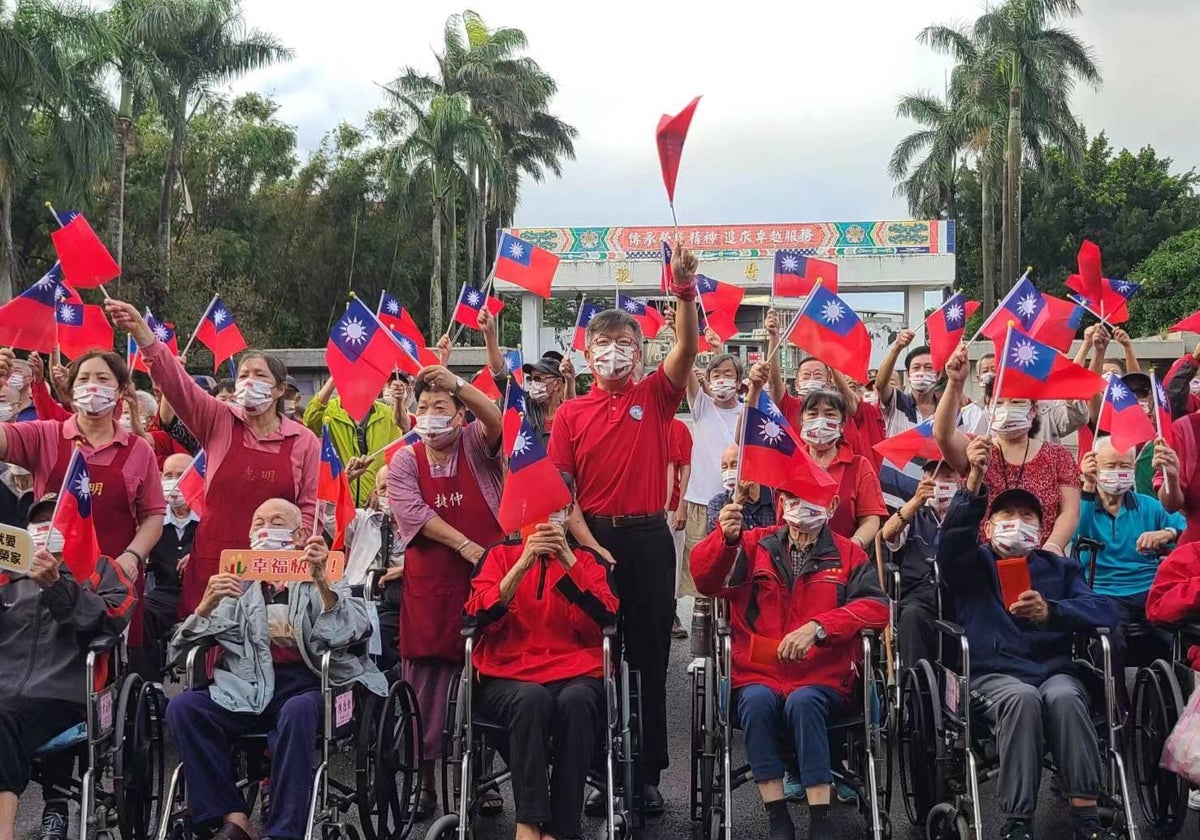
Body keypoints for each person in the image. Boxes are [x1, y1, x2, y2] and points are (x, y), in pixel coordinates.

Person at [549, 245, 702, 812]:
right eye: (604, 346)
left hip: (647, 541)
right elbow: (562, 491)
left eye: (626, 346)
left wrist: (684, 291)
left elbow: (686, 348)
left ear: (640, 354)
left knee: (647, 658)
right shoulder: (569, 414)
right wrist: (586, 545)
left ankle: (644, 775)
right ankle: (598, 774)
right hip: (592, 542)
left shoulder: (654, 396)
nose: (615, 355)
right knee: (592, 660)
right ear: (589, 355)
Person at [166, 498, 386, 840]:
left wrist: (323, 586)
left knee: (297, 712)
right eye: (258, 522)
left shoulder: (323, 570)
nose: (265, 527)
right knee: (183, 706)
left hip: (309, 683)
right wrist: (205, 606)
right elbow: (178, 653)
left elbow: (355, 628)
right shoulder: (237, 582)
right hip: (247, 687)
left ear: (298, 535)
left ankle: (283, 832)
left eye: (276, 520)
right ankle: (233, 817)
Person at [936, 435, 1119, 840]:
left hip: (1052, 669)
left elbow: (1106, 611)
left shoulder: (1058, 568)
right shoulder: (973, 564)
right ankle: (1019, 821)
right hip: (992, 673)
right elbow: (949, 550)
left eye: (1027, 516)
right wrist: (974, 486)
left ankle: (1087, 816)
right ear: (989, 526)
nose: (1016, 523)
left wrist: (1053, 612)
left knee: (1066, 697)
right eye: (1007, 516)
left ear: (1042, 527)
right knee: (1023, 699)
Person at [692, 481, 889, 840]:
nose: (801, 507)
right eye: (793, 499)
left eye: (811, 500)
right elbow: (706, 581)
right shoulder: (754, 545)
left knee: (803, 702)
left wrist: (820, 627)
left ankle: (820, 819)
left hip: (821, 676)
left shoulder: (848, 554)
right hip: (759, 671)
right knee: (756, 701)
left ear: (830, 505)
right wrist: (725, 538)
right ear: (781, 503)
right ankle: (777, 816)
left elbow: (876, 608)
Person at [108, 298, 321, 618]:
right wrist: (142, 332)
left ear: (278, 390)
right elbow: (178, 386)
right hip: (214, 559)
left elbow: (310, 506)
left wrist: (297, 552)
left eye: (259, 376)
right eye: (244, 375)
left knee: (272, 645)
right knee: (206, 647)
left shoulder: (303, 440)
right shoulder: (218, 420)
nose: (249, 381)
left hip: (275, 565)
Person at [464, 494, 618, 840]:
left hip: (576, 668)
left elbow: (607, 616)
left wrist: (567, 560)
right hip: (510, 671)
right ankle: (529, 823)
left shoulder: (587, 561)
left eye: (556, 511)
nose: (547, 520)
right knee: (530, 700)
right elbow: (475, 616)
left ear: (567, 514)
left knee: (577, 702)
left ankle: (562, 829)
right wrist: (521, 566)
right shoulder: (499, 556)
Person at [387, 363, 504, 816]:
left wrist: (455, 382)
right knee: (426, 686)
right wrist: (465, 545)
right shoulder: (403, 459)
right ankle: (427, 784)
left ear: (459, 416)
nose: (430, 414)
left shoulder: (476, 443)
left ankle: (482, 777)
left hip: (485, 579)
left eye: (441, 407)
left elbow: (494, 417)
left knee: (485, 677)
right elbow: (413, 513)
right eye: (423, 407)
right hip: (431, 585)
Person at [0, 494, 136, 840]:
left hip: (62, 692)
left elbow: (111, 621)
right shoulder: (8, 575)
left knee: (3, 717)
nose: (45, 531)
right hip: (7, 686)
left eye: (55, 523)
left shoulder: (102, 569)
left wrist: (58, 585)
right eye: (39, 525)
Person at [934, 344, 1080, 553]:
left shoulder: (1058, 456)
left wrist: (1052, 548)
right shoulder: (978, 449)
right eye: (999, 403)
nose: (1007, 408)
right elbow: (943, 434)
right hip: (984, 563)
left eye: (1016, 402)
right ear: (989, 407)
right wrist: (955, 384)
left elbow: (1069, 511)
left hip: (1040, 559)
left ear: (1033, 410)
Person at [1076, 437, 1182, 711]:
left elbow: (1183, 528)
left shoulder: (1147, 505)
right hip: (1104, 592)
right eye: (1110, 465)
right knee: (1108, 642)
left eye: (1125, 465)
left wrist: (1166, 533)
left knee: (1181, 636)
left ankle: (1174, 713)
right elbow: (1079, 537)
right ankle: (1116, 714)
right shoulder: (1082, 504)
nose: (1118, 471)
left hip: (1148, 589)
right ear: (1095, 466)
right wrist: (1087, 488)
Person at [752, 364, 884, 548]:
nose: (820, 420)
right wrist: (754, 389)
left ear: (841, 423)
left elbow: (870, 518)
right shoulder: (788, 461)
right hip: (788, 559)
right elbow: (746, 437)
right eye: (813, 414)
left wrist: (854, 545)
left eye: (829, 414)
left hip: (842, 563)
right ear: (802, 421)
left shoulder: (859, 466)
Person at [880, 459, 961, 665]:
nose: (941, 481)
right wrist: (915, 501)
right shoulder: (914, 514)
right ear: (924, 479)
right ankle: (917, 692)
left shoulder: (967, 514)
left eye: (948, 476)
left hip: (959, 594)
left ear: (961, 480)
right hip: (920, 594)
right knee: (911, 616)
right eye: (935, 475)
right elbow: (888, 535)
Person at [681, 353, 743, 604]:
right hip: (701, 502)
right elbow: (684, 361)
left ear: (739, 382)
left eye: (728, 375)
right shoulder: (701, 405)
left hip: (736, 504)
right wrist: (678, 333)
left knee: (735, 572)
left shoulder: (747, 412)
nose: (721, 380)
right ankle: (702, 629)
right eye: (715, 375)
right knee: (702, 574)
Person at [140, 452, 201, 682]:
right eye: (168, 475)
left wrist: (199, 558)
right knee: (141, 612)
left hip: (204, 592)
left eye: (181, 475)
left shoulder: (208, 516)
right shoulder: (153, 519)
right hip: (167, 592)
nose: (174, 480)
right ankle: (150, 683)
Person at [304, 374, 403, 508]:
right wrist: (334, 376)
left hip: (374, 507)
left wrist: (379, 489)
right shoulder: (330, 411)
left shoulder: (385, 413)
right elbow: (309, 422)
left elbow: (396, 457)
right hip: (338, 502)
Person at [874, 330, 938, 436]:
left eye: (928, 368)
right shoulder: (897, 401)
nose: (921, 373)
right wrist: (897, 348)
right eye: (916, 368)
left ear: (939, 374)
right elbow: (880, 385)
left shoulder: (946, 410)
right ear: (908, 375)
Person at [704, 443, 776, 534]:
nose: (729, 471)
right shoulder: (717, 503)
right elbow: (715, 537)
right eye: (724, 467)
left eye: (734, 465)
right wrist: (736, 502)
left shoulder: (775, 499)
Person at [667, 417, 692, 639]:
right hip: (641, 508)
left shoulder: (679, 428)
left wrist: (682, 505)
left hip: (672, 506)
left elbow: (685, 467)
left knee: (672, 562)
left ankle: (671, 612)